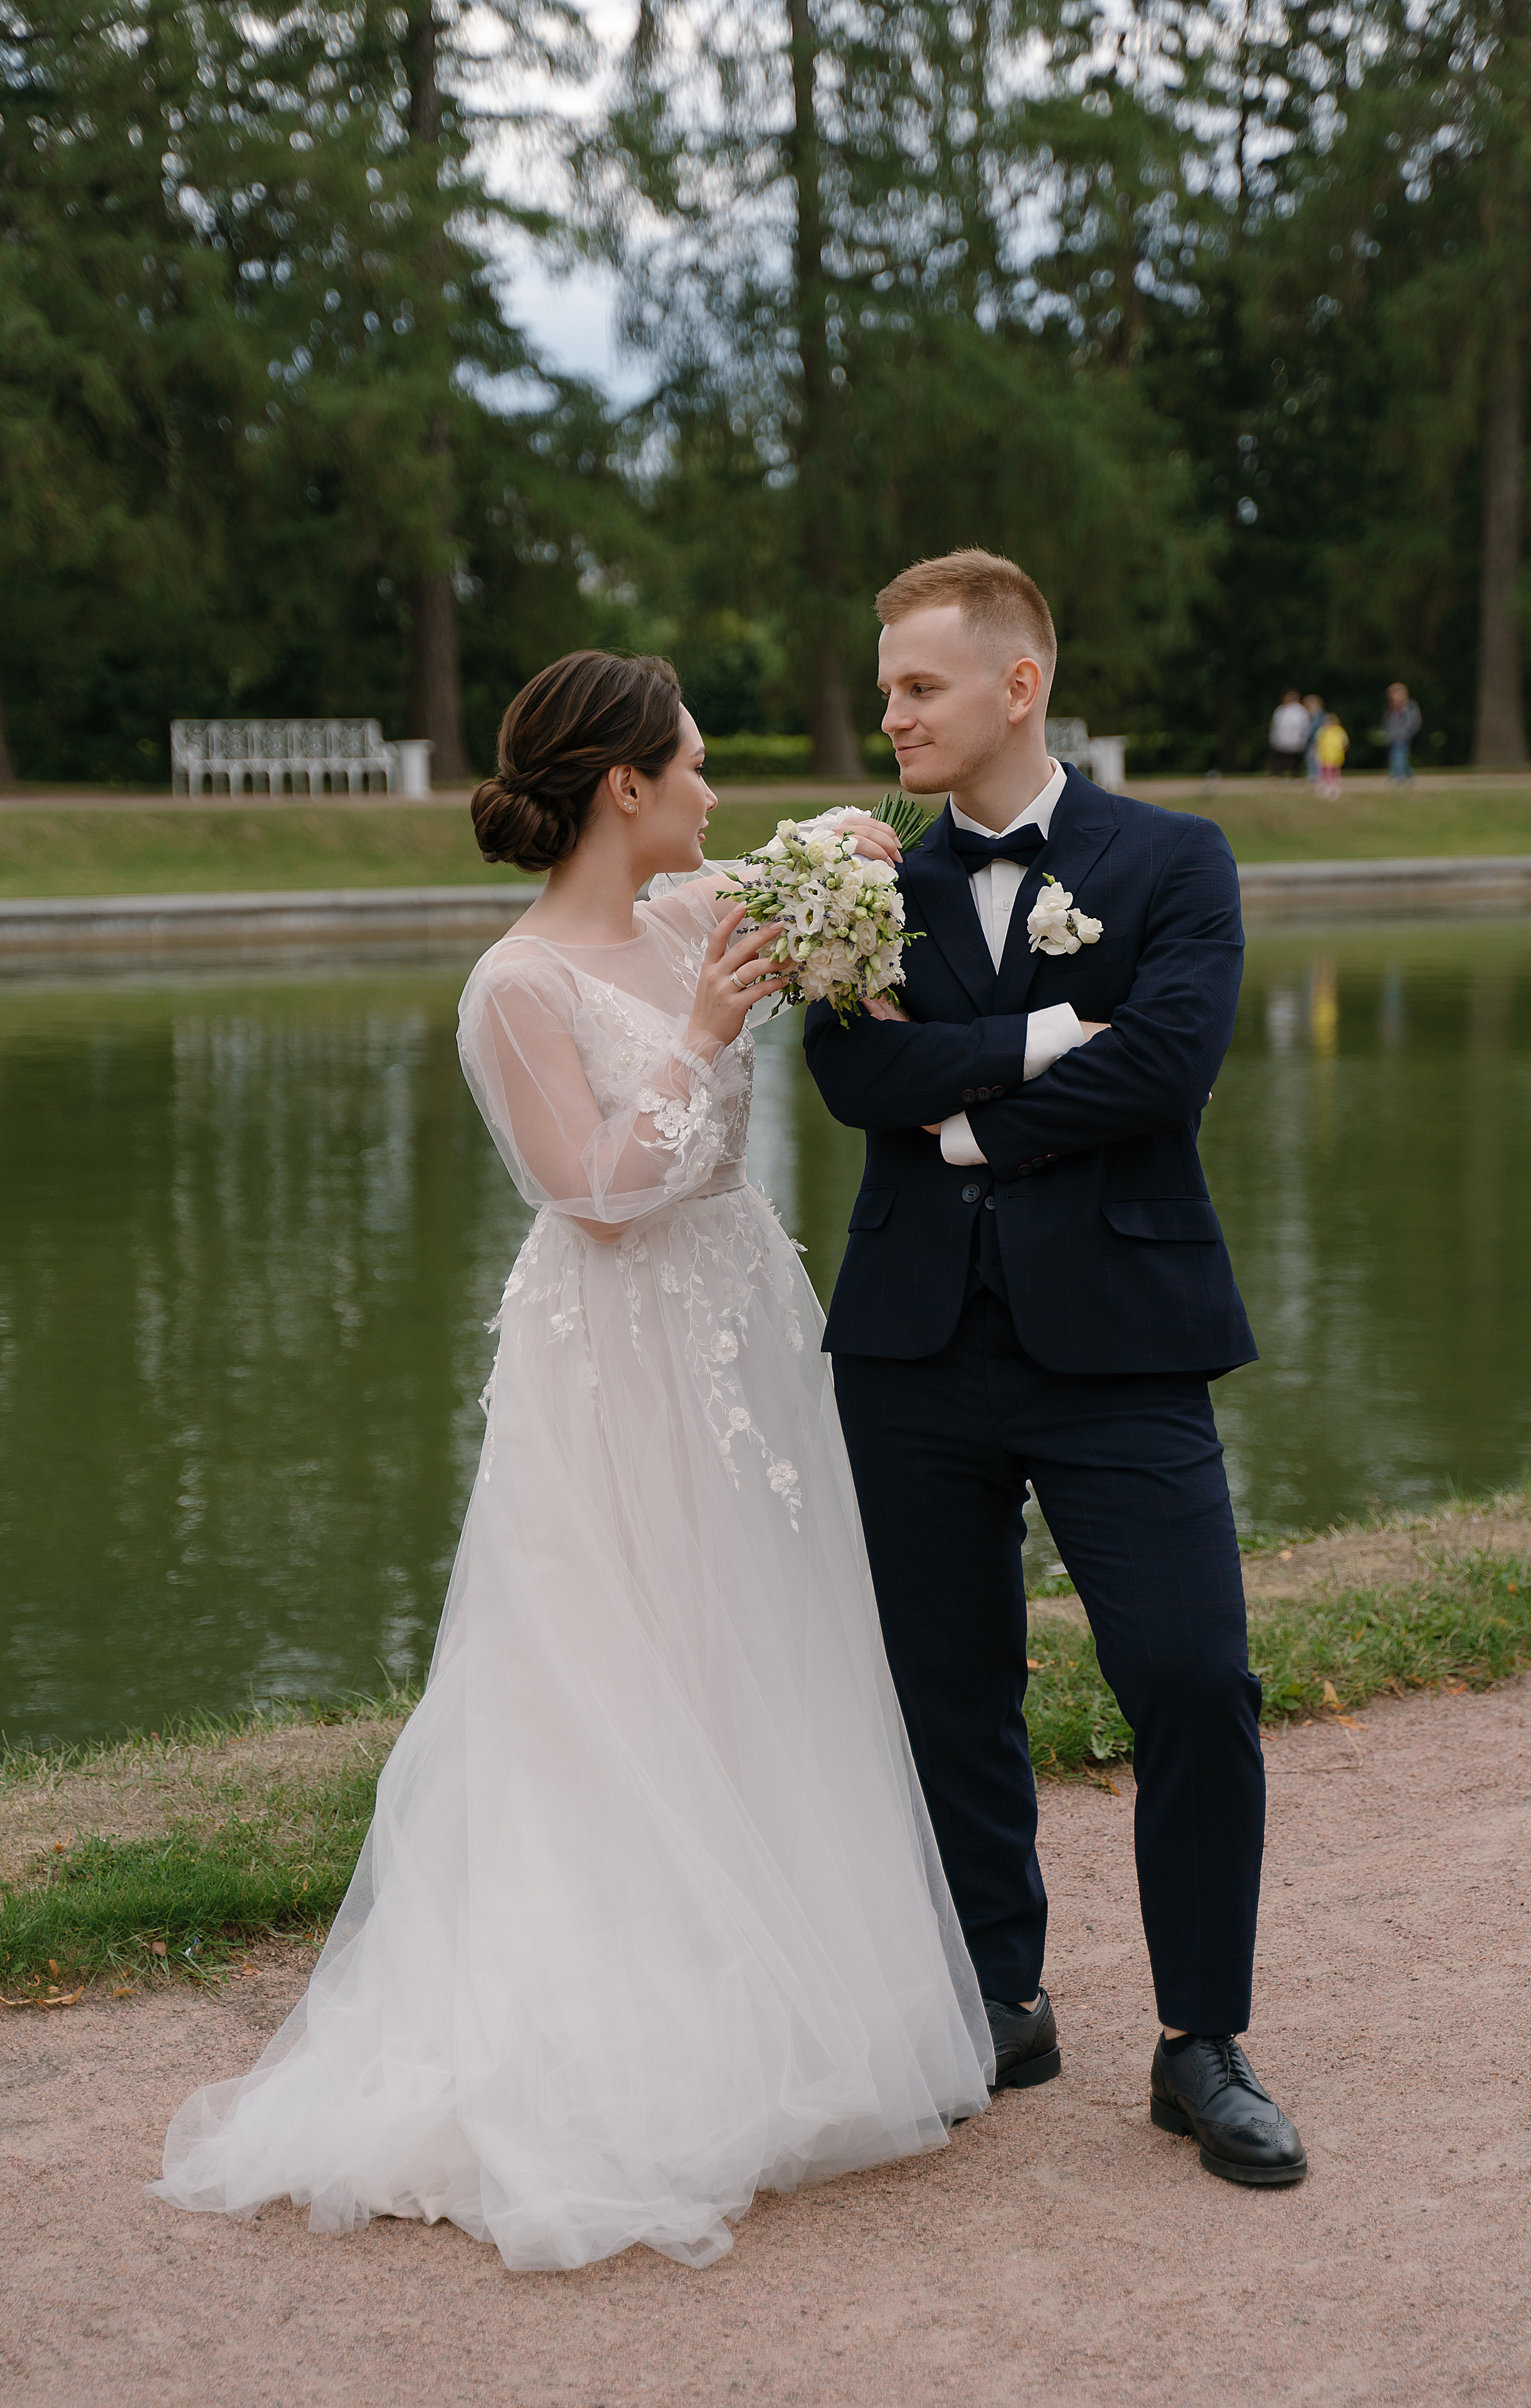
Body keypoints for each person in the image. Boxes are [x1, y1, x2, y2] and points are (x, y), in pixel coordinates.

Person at [152, 651, 993, 2273]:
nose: (708, 792)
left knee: (760, 1645)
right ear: (624, 788)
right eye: (690, 765)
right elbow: (596, 1189)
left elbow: (814, 859)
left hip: (741, 1332)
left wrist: (850, 837)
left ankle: (791, 1999)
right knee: (614, 1666)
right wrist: (693, 1038)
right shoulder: (519, 986)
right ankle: (613, 2044)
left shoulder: (693, 911)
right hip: (613, 1365)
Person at [805, 549, 1307, 2187]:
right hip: (912, 1351)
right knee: (948, 1690)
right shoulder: (859, 880)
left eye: (918, 685)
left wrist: (947, 1108)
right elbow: (844, 1075)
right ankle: (998, 2001)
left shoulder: (1174, 859)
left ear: (1017, 686)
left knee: (1191, 1681)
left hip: (1125, 1349)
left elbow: (1165, 1068)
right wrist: (1024, 1056)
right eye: (887, 687)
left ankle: (1204, 2044)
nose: (891, 714)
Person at [1383, 683, 1421, 784]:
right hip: (1393, 736)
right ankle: (1409, 774)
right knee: (1397, 755)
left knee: (1399, 754)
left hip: (1404, 736)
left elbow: (1413, 721)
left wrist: (1407, 733)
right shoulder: (1392, 707)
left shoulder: (1409, 706)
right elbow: (1388, 721)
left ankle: (1400, 776)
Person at [1266, 690, 1309, 776]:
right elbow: (1276, 724)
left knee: (1295, 758)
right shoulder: (1280, 710)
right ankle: (1277, 774)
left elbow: (1304, 725)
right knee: (1279, 757)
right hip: (1281, 738)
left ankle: (1296, 775)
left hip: (1295, 738)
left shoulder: (1300, 711)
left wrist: (1302, 737)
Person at [1315, 712, 1348, 795]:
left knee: (1336, 771)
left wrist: (1342, 750)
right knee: (1325, 770)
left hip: (1336, 755)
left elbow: (1345, 742)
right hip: (1324, 755)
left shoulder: (1339, 731)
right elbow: (1318, 742)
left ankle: (1336, 785)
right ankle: (1327, 785)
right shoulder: (1322, 731)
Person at [1301, 694, 1328, 782]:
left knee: (1319, 759)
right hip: (1310, 741)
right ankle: (1312, 774)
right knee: (1310, 758)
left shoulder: (1322, 715)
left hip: (1321, 740)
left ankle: (1320, 774)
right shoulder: (1306, 715)